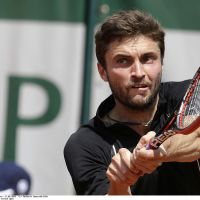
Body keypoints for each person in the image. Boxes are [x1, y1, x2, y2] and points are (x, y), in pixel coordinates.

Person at [64, 9, 200, 195]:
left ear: (161, 63)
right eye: (123, 61)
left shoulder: (187, 96)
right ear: (103, 71)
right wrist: (119, 184)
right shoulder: (85, 145)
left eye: (147, 59)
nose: (138, 72)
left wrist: (159, 151)